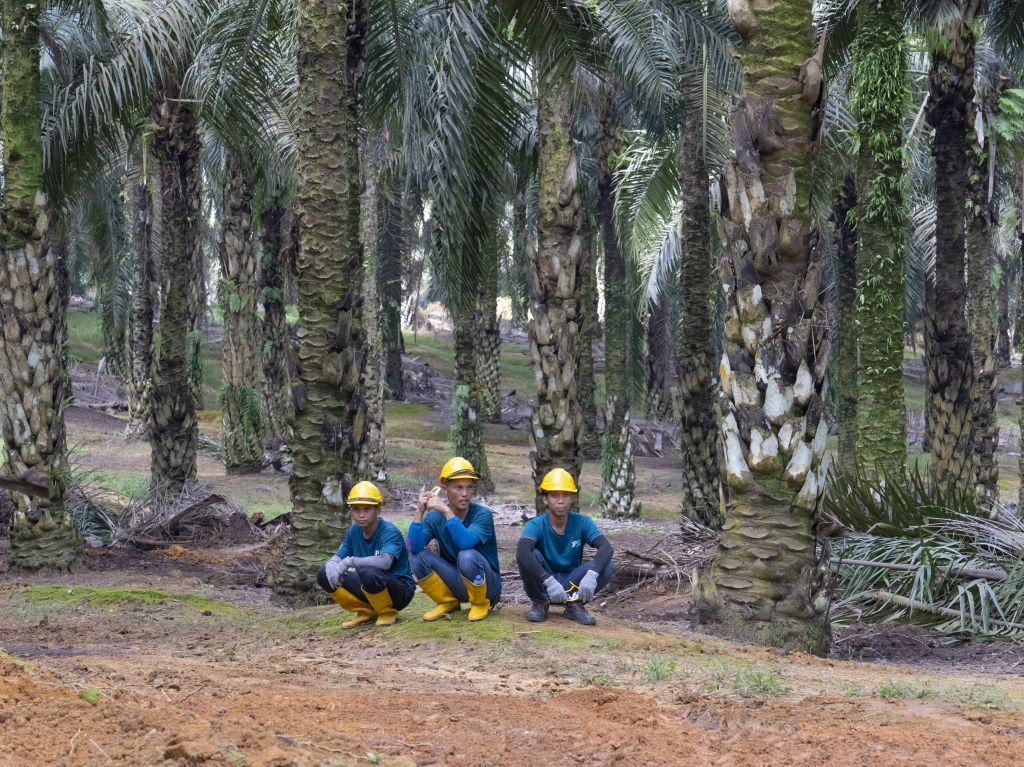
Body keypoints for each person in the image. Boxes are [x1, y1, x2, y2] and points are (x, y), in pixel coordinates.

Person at [517, 468, 614, 625]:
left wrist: (592, 575)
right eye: (554, 495)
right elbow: (522, 551)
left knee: (606, 565)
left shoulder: (582, 522)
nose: (560, 501)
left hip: (571, 582)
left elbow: (606, 548)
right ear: (545, 499)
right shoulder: (536, 524)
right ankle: (540, 602)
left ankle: (575, 604)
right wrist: (548, 580)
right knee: (530, 554)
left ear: (572, 499)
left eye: (566, 495)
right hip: (544, 583)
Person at [408, 457, 501, 621]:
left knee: (467, 555)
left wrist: (446, 511)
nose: (465, 494)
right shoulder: (435, 518)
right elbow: (413, 548)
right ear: (444, 487)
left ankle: (480, 604)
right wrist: (419, 512)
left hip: (487, 587)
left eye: (469, 488)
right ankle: (447, 602)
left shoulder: (482, 514)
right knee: (416, 556)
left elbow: (465, 543)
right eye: (458, 488)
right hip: (458, 582)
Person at [317, 481, 415, 627]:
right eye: (356, 509)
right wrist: (331, 564)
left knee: (368, 571)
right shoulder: (354, 531)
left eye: (367, 509)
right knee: (323, 573)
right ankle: (366, 611)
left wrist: (349, 561)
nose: (361, 515)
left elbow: (385, 562)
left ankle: (387, 612)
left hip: (400, 590)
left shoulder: (389, 531)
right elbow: (339, 556)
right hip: (369, 586)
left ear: (378, 510)